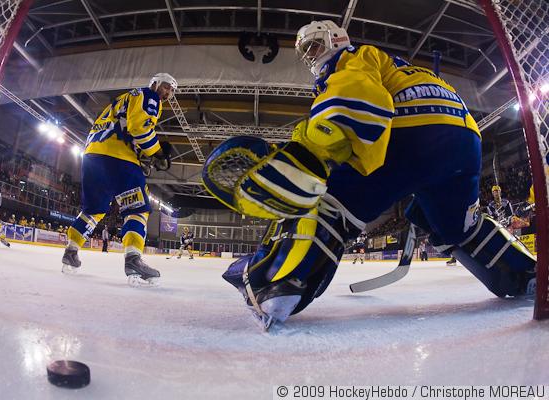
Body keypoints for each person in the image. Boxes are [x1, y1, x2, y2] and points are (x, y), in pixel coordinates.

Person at [203, 20, 536, 329]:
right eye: (306, 51)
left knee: (326, 202)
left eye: (316, 45)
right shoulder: (407, 70)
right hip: (464, 140)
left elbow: (359, 96)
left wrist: (310, 154)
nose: (311, 55)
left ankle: (274, 286)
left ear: (337, 39)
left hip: (411, 132)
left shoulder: (352, 57)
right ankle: (526, 276)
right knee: (459, 228)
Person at [61, 73, 176, 285]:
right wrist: (158, 152)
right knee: (137, 209)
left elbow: (122, 126)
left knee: (93, 210)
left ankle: (71, 251)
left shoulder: (123, 99)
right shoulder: (149, 96)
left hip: (92, 155)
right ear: (154, 83)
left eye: (171, 90)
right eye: (166, 86)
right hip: (119, 157)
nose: (168, 92)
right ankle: (133, 259)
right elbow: (139, 127)